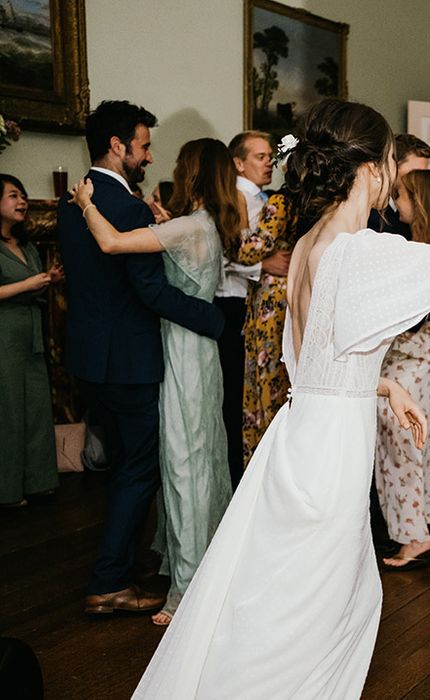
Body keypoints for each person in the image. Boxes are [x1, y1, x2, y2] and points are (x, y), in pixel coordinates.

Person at [131, 98, 430, 699]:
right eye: (391, 159)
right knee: (319, 605)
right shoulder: (361, 249)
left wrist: (382, 384)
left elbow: (313, 356)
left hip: (302, 430)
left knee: (297, 591)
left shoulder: (312, 241)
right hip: (331, 449)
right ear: (372, 166)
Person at [57, 100, 224, 617]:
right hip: (129, 360)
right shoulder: (125, 210)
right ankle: (109, 580)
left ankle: (128, 565)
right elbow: (152, 294)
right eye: (144, 145)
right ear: (117, 146)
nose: (149, 156)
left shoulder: (70, 202)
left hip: (86, 358)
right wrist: (218, 322)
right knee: (140, 469)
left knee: (122, 468)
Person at [376, 169, 430, 570]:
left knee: (400, 445)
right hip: (424, 351)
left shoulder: (418, 250)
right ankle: (427, 513)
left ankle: (413, 538)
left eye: (401, 196)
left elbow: (414, 311)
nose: (395, 203)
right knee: (421, 439)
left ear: (418, 201)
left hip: (409, 354)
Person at [218, 131, 290, 490]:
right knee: (241, 395)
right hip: (234, 302)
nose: (268, 163)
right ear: (238, 162)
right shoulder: (232, 198)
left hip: (262, 306)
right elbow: (221, 252)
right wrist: (263, 266)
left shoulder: (271, 200)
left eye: (270, 157)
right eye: (260, 156)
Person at [0, 174, 61, 507]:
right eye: (13, 196)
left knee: (36, 408)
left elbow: (34, 284)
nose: (22, 201)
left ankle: (39, 481)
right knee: (8, 412)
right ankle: (8, 491)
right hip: (5, 335)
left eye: (23, 195)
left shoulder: (26, 246)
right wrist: (28, 285)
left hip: (32, 333)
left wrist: (48, 280)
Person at [240, 187, 304, 467]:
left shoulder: (280, 202)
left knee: (265, 379)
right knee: (284, 375)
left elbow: (247, 251)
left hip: (272, 302)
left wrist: (240, 222)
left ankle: (264, 463)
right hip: (293, 294)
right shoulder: (312, 204)